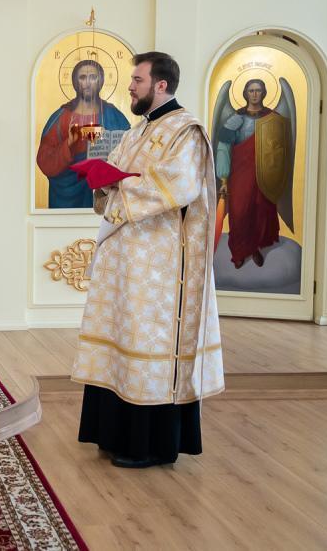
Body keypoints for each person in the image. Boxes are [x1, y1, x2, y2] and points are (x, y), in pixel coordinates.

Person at [72, 52, 224, 467]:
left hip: (159, 264)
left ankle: (148, 445)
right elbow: (117, 170)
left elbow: (180, 185)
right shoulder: (138, 130)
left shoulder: (186, 131)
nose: (130, 87)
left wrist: (122, 186)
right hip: (126, 258)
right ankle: (111, 433)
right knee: (121, 333)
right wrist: (102, 177)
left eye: (137, 80)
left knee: (145, 339)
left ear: (161, 85)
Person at [36, 60, 131, 208]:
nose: (87, 83)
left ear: (100, 81)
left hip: (105, 191)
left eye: (93, 77)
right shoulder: (61, 117)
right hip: (67, 195)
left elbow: (132, 152)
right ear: (75, 82)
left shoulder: (114, 115)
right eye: (82, 77)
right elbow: (44, 160)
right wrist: (68, 144)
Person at [215, 79, 286, 268]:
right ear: (245, 93)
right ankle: (239, 251)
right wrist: (223, 178)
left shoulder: (272, 118)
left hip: (264, 174)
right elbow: (224, 148)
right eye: (251, 90)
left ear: (264, 93)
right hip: (240, 174)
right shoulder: (235, 119)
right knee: (239, 212)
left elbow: (280, 149)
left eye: (258, 90)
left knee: (260, 211)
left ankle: (255, 248)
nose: (254, 94)